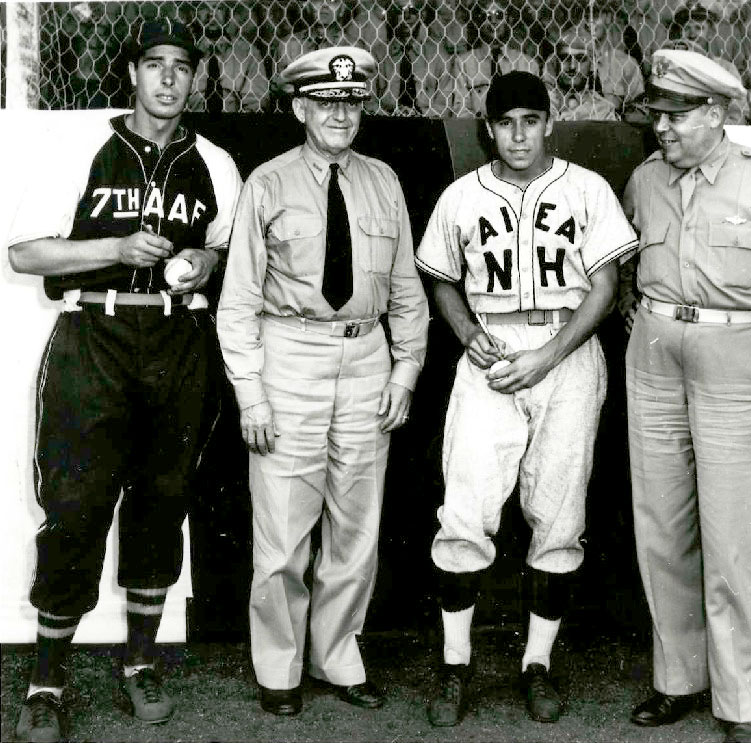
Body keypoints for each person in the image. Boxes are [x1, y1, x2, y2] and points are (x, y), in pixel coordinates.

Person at [7, 18, 241, 743]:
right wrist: (113, 244)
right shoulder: (84, 147)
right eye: (154, 65)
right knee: (75, 503)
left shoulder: (216, 163)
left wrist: (205, 264)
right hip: (94, 332)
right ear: (131, 74)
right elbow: (23, 252)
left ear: (195, 77)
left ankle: (140, 660)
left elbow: (221, 248)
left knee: (162, 496)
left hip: (175, 333)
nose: (168, 79)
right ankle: (47, 674)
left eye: (181, 66)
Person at [415, 70, 638, 727]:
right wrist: (467, 333)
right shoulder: (462, 195)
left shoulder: (586, 187)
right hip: (490, 352)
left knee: (560, 515)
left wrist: (548, 353)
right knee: (463, 511)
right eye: (504, 122)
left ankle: (536, 664)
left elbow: (605, 284)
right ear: (488, 127)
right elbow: (443, 281)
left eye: (529, 121)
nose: (517, 134)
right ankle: (455, 666)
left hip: (565, 353)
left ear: (549, 122)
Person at [217, 45, 428, 717]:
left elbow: (405, 290)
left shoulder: (383, 181)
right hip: (291, 358)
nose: (341, 114)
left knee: (355, 526)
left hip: (365, 359)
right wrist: (251, 391)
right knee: (282, 530)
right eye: (327, 102)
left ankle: (337, 654)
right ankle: (278, 666)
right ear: (300, 107)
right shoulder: (268, 184)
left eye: (352, 102)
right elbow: (239, 300)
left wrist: (406, 366)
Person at [620, 49, 751, 743]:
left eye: (676, 116)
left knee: (732, 544)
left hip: (737, 369)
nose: (662, 129)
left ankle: (739, 700)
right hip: (655, 361)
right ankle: (678, 678)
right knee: (663, 531)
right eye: (658, 115)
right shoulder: (644, 181)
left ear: (716, 112)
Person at [450, 0, 540, 117]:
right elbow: (460, 109)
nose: (493, 21)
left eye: (499, 15)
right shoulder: (463, 63)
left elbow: (535, 108)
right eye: (486, 16)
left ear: (509, 20)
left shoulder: (527, 64)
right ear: (477, 22)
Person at [188, 0, 271, 113]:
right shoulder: (184, 52)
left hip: (236, 125)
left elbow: (257, 101)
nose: (211, 14)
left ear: (229, 12)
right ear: (194, 13)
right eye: (204, 7)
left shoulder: (247, 53)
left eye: (219, 8)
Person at [542, 33, 622, 120]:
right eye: (564, 58)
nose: (572, 66)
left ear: (592, 65)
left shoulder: (604, 110)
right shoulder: (541, 104)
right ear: (555, 63)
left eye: (580, 59)